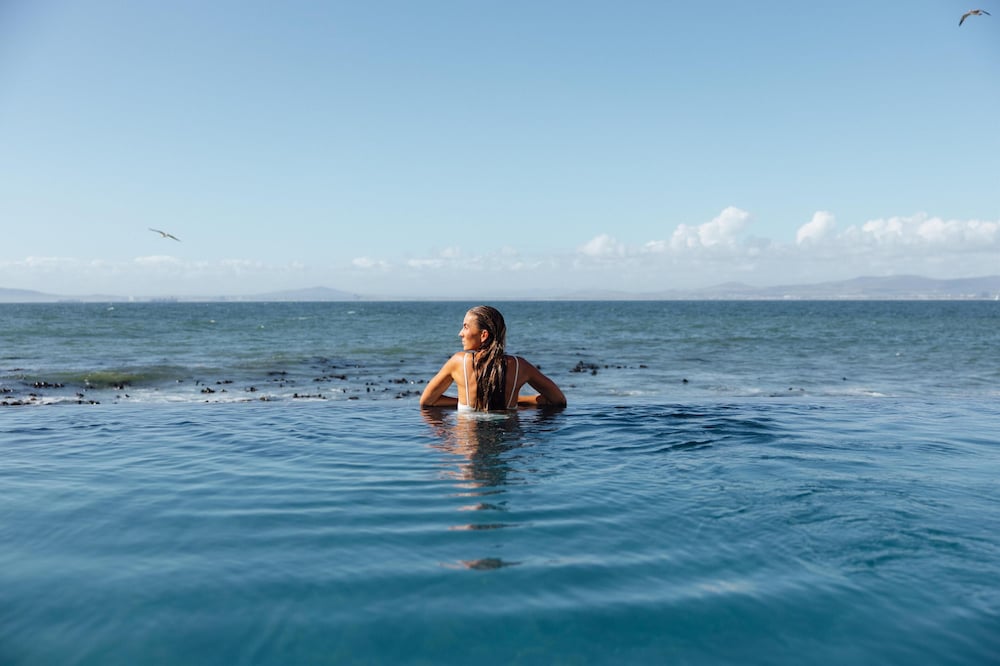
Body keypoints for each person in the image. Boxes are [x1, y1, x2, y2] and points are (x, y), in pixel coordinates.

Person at [420, 305, 566, 411]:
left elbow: (427, 402)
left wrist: (466, 401)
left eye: (466, 327)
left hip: (468, 440)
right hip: (509, 441)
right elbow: (558, 400)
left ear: (483, 335)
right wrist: (517, 400)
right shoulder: (519, 366)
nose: (460, 333)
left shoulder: (459, 362)